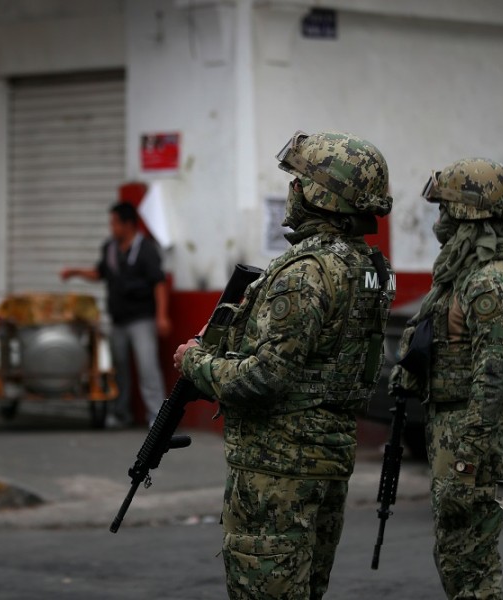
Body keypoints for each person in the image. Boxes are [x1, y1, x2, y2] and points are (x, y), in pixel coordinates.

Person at [173, 130, 395, 599]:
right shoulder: (370, 268)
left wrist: (196, 362)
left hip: (278, 471)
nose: (291, 190)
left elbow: (264, 377)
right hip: (326, 459)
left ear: (320, 194)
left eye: (299, 181)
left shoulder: (305, 272)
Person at [388, 158, 503, 599]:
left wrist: (469, 454)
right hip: (455, 429)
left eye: (446, 209)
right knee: (457, 558)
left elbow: (492, 372)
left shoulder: (490, 281)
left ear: (468, 213)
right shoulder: (466, 272)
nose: (439, 221)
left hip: (470, 434)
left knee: (471, 566)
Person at [60, 201, 171, 427]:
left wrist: (162, 316)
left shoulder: (146, 250)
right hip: (118, 320)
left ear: (128, 224)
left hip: (141, 319)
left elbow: (159, 284)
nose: (111, 227)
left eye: (114, 223)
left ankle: (157, 417)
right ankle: (121, 413)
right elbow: (99, 273)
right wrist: (75, 272)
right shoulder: (109, 248)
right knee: (118, 368)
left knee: (147, 367)